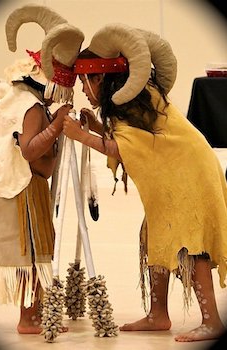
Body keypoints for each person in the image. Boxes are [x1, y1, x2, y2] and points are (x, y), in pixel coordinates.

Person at [62, 23, 227, 343]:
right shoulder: (129, 99)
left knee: (189, 243)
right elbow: (135, 145)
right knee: (155, 235)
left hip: (188, 176)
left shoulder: (128, 100)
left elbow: (125, 150)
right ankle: (158, 314)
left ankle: (212, 321)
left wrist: (81, 135)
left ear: (100, 78)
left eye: (85, 81)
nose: (83, 89)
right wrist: (96, 126)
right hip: (181, 172)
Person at [0, 4, 84, 335]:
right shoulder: (30, 106)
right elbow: (31, 151)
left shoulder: (10, 97)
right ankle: (29, 317)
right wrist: (58, 124)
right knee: (28, 252)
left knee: (1, 252)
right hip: (20, 189)